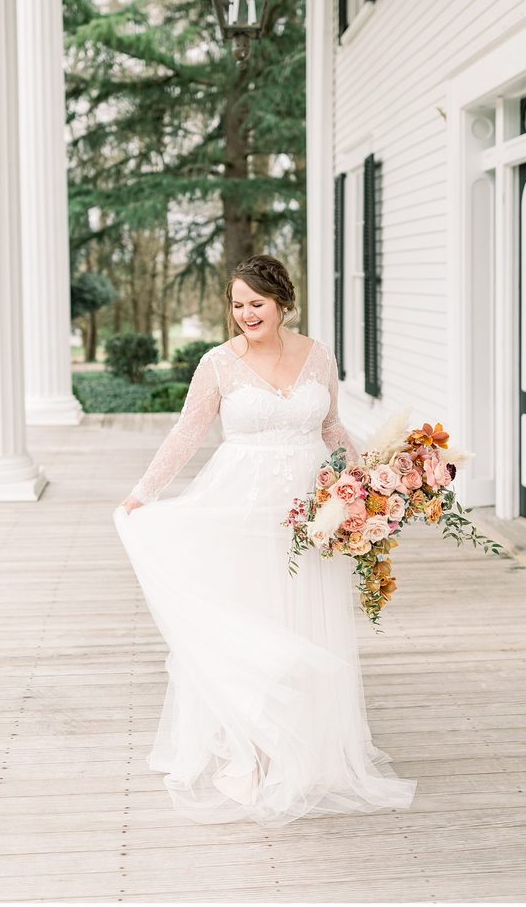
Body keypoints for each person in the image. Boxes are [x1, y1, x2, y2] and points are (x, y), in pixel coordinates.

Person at [112, 254, 417, 827]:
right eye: (236, 304)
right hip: (240, 506)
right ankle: (249, 746)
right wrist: (142, 493)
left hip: (309, 512)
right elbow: (187, 432)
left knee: (302, 616)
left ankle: (306, 743)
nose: (245, 314)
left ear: (281, 303)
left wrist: (364, 483)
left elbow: (329, 429)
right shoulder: (218, 364)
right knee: (251, 616)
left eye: (256, 303)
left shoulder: (317, 354)